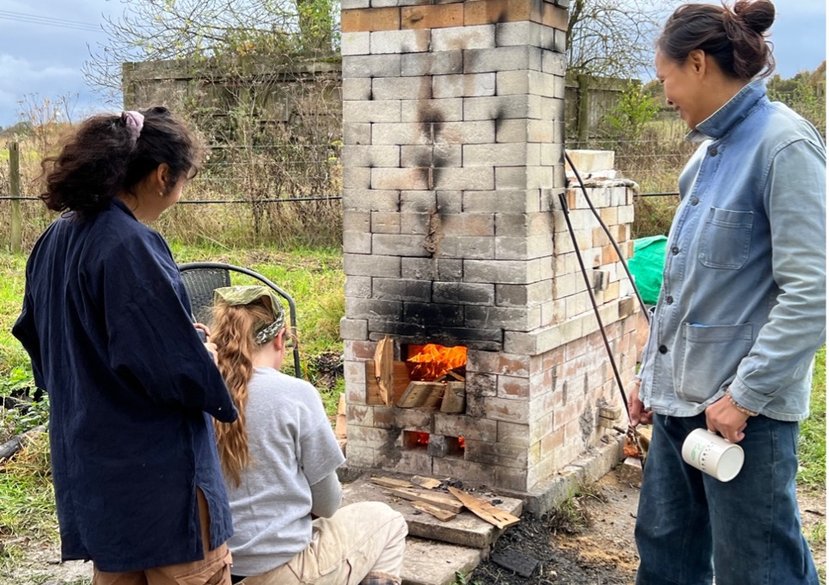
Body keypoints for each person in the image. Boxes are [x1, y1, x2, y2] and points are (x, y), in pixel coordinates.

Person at [627, 1, 826, 584]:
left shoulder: (783, 147)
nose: (665, 95)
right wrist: (649, 377)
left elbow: (813, 293)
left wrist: (743, 396)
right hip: (677, 405)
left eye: (664, 78)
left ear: (696, 63)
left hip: (743, 416)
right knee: (664, 555)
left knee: (757, 568)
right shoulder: (703, 159)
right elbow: (682, 287)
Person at [12, 107, 238, 585]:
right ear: (162, 176)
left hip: (96, 473)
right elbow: (175, 371)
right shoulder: (131, 243)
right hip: (161, 486)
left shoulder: (55, 239)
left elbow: (43, 338)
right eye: (184, 180)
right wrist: (207, 359)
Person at [209, 285, 408, 585]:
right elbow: (327, 505)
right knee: (388, 521)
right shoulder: (296, 395)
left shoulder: (195, 393)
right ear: (279, 339)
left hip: (217, 570)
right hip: (283, 573)